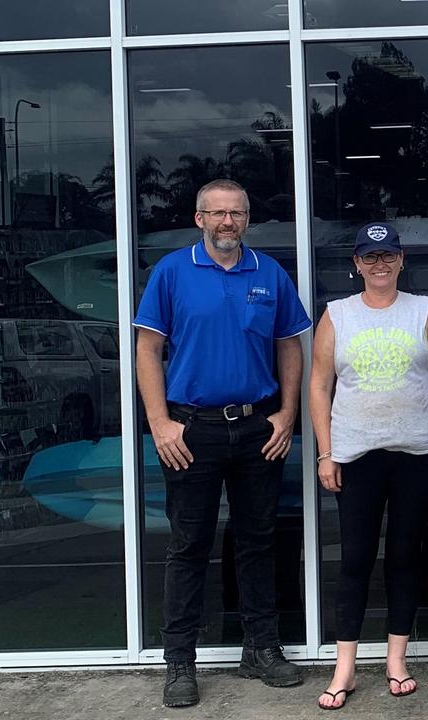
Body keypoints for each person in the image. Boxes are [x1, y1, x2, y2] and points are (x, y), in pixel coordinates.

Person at [133, 178, 311, 708]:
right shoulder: (172, 272)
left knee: (259, 541)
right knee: (189, 546)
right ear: (199, 218)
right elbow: (147, 351)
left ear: (247, 219)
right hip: (192, 431)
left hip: (258, 429)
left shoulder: (269, 274)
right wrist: (160, 424)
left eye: (237, 213)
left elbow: (290, 347)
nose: (227, 222)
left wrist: (286, 415)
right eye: (218, 213)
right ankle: (180, 662)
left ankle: (261, 648)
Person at [308, 223, 428, 710]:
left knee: (403, 555)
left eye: (388, 256)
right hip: (355, 454)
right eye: (370, 257)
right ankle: (345, 668)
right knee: (354, 559)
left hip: (416, 451)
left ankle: (397, 659)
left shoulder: (425, 310)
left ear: (401, 259)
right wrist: (325, 452)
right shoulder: (336, 315)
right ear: (356, 263)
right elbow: (318, 386)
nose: (379, 265)